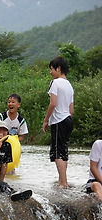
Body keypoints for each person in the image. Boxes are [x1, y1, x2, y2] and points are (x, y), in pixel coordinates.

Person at [42, 56, 74, 188]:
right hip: (68, 119)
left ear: (59, 69)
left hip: (59, 120)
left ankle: (63, 182)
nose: (50, 72)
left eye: (51, 69)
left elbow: (53, 103)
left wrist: (46, 120)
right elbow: (71, 109)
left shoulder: (55, 83)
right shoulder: (69, 85)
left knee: (57, 152)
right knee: (64, 151)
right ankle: (62, 180)